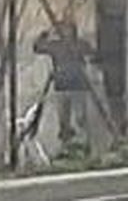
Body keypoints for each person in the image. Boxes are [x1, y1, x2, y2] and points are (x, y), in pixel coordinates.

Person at [34, 20, 96, 151]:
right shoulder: (56, 46)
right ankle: (66, 146)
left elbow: (91, 51)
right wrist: (44, 34)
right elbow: (38, 47)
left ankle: (85, 145)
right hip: (61, 86)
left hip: (78, 86)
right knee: (63, 121)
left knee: (81, 118)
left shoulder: (79, 44)